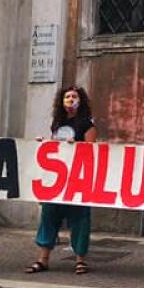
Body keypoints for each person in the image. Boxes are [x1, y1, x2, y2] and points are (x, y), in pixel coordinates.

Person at [26, 86, 97, 275]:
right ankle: (43, 259)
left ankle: (80, 260)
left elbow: (91, 149)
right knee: (49, 215)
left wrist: (78, 147)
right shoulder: (57, 123)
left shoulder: (87, 124)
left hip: (78, 179)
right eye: (67, 96)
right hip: (57, 179)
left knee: (80, 218)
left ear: (81, 100)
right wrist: (45, 144)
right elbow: (55, 146)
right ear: (61, 101)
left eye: (74, 96)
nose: (70, 99)